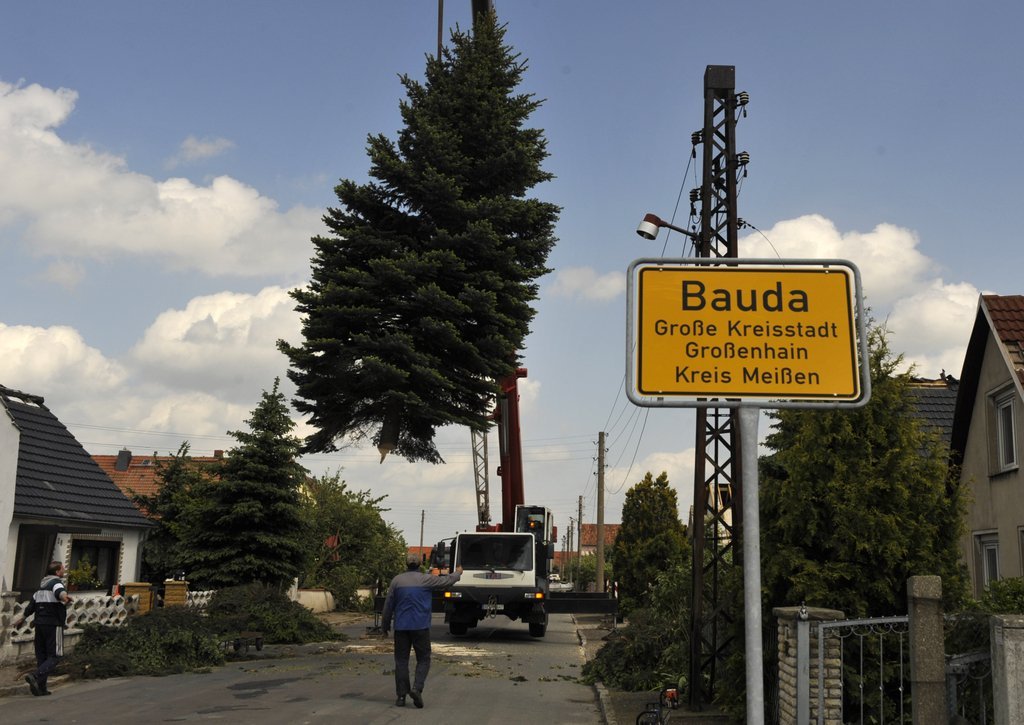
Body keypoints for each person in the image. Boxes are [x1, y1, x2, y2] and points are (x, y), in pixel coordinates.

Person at [381, 553, 462, 708]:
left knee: (401, 661)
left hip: (401, 628)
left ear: (406, 564)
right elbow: (446, 581)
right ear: (420, 564)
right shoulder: (426, 579)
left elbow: (388, 606)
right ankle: (417, 688)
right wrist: (458, 573)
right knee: (424, 659)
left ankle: (401, 697)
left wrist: (385, 627)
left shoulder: (397, 581)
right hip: (421, 627)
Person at [13, 561, 71, 696]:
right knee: (55, 656)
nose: (64, 571)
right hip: (53, 625)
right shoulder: (56, 583)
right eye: (62, 569)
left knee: (42, 657)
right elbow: (60, 592)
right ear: (57, 572)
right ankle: (35, 675)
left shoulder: (40, 588)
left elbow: (31, 606)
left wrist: (22, 618)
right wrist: (65, 597)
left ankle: (41, 688)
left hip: (39, 625)